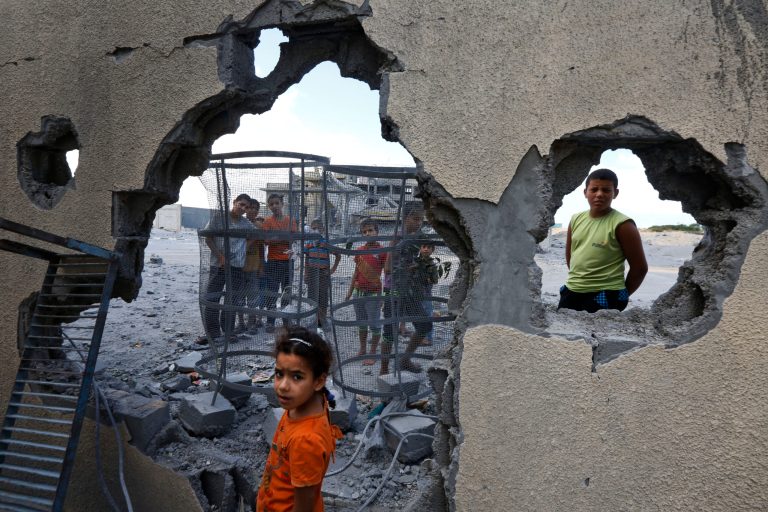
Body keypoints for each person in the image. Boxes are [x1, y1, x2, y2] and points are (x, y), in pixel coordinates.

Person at [256, 326, 342, 512]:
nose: (283, 386)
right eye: (279, 374)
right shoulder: (307, 402)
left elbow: (304, 503)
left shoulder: (306, 440)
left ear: (319, 381)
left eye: (297, 377)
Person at [558, 168, 648, 313]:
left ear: (615, 193)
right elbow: (571, 256)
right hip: (572, 290)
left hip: (606, 294)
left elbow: (640, 268)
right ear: (585, 192)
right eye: (594, 189)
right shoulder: (576, 219)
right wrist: (581, 281)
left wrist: (622, 295)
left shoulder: (623, 225)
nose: (599, 194)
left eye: (606, 190)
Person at [381, 201, 433, 374]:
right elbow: (387, 269)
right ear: (404, 218)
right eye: (415, 219)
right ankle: (383, 369)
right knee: (389, 330)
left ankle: (404, 360)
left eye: (421, 220)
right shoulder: (397, 239)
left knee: (424, 325)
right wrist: (410, 268)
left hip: (409, 292)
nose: (419, 223)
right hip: (394, 290)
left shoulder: (415, 240)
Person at [200, 193, 255, 343]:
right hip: (218, 266)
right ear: (234, 202)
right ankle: (212, 333)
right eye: (241, 204)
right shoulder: (220, 217)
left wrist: (243, 249)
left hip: (237, 266)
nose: (243, 208)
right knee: (213, 298)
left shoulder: (246, 223)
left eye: (246, 207)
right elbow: (208, 238)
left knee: (232, 300)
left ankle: (229, 332)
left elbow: (255, 235)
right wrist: (220, 256)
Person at [345, 218, 387, 366]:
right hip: (359, 293)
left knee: (374, 325)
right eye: (364, 232)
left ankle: (372, 352)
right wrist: (349, 292)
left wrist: (383, 296)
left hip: (374, 294)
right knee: (361, 323)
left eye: (370, 230)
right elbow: (356, 272)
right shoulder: (359, 251)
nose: (368, 233)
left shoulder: (382, 251)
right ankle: (363, 349)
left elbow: (386, 275)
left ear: (377, 232)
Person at [263, 194, 298, 333]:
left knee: (287, 291)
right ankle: (270, 321)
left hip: (288, 262)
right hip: (273, 261)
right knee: (272, 291)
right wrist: (283, 237)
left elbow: (293, 239)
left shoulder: (291, 221)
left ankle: (286, 320)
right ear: (269, 206)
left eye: (277, 203)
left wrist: (276, 237)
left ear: (282, 204)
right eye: (271, 204)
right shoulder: (267, 221)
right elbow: (266, 241)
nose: (274, 206)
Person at [303, 218, 340, 330]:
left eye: (317, 229)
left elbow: (338, 255)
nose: (315, 231)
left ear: (323, 230)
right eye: (313, 229)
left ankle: (322, 320)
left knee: (323, 298)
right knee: (312, 298)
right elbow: (306, 257)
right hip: (312, 273)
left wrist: (332, 269)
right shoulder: (309, 243)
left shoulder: (326, 243)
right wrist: (306, 273)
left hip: (323, 274)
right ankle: (314, 320)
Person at [238, 198, 265, 333]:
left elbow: (261, 248)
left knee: (253, 296)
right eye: (249, 208)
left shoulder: (259, 226)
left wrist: (261, 266)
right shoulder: (240, 224)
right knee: (239, 296)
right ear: (245, 209)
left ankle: (251, 323)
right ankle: (241, 323)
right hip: (239, 267)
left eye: (255, 208)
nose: (252, 210)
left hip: (253, 266)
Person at [416, 243, 439, 346]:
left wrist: (427, 279)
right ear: (420, 249)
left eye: (428, 247)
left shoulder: (432, 265)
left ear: (432, 250)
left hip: (426, 294)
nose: (426, 249)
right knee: (418, 316)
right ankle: (421, 337)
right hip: (416, 294)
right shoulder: (416, 262)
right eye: (423, 247)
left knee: (427, 316)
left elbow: (435, 280)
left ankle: (428, 338)